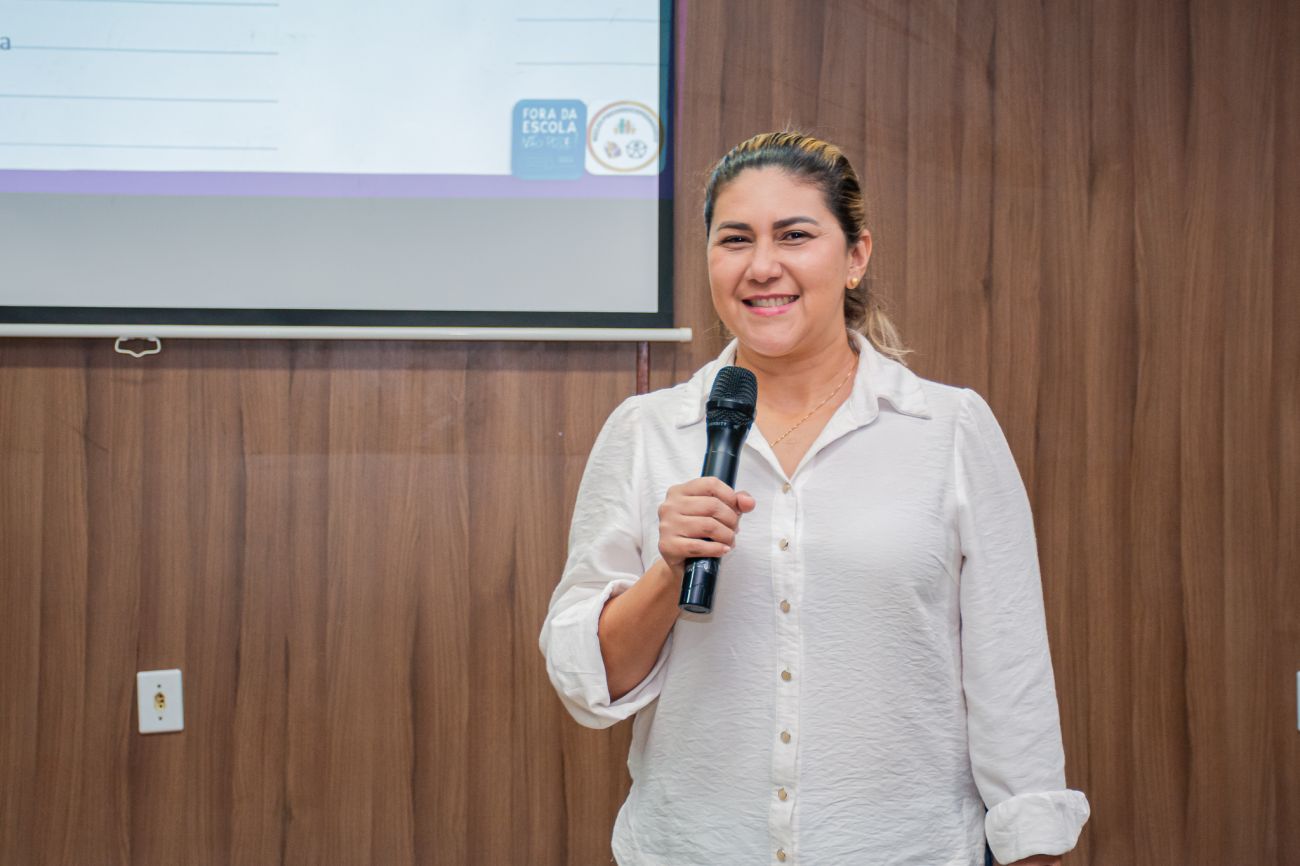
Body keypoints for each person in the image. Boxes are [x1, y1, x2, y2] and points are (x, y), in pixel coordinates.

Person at [539, 131, 1090, 865]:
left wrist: (1034, 846)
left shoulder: (949, 428)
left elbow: (1011, 676)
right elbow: (588, 684)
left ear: (856, 256)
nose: (762, 265)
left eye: (794, 235)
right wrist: (669, 573)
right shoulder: (647, 431)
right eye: (735, 239)